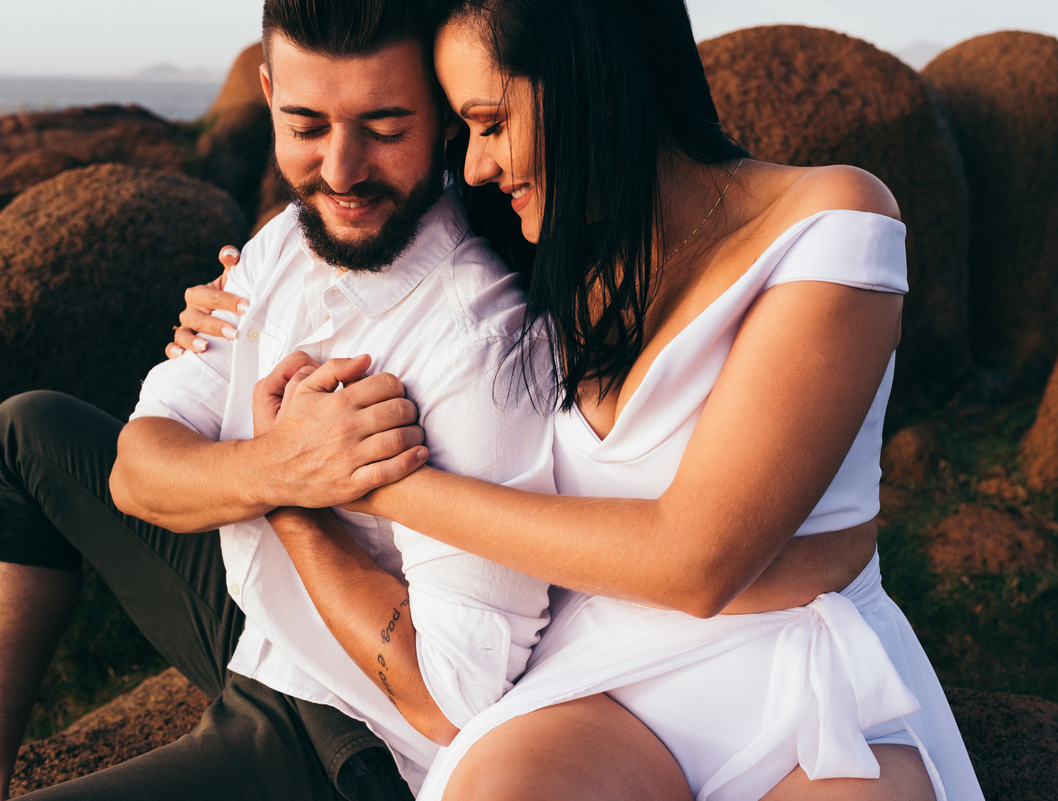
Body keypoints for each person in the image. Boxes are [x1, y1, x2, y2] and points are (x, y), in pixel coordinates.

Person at [240, 0, 985, 798]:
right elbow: (360, 246)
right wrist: (231, 299)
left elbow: (696, 560)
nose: (479, 166)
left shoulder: (829, 222)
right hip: (598, 678)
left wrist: (373, 479)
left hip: (808, 674)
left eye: (491, 124)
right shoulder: (552, 249)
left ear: (587, 81)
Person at [0, 0, 563, 798]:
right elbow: (135, 472)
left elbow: (448, 704)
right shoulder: (283, 244)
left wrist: (295, 504)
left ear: (444, 114)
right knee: (25, 430)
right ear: (267, 95)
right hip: (259, 620)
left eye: (384, 128)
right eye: (306, 127)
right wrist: (278, 467)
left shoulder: (480, 345)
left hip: (356, 734)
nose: (341, 171)